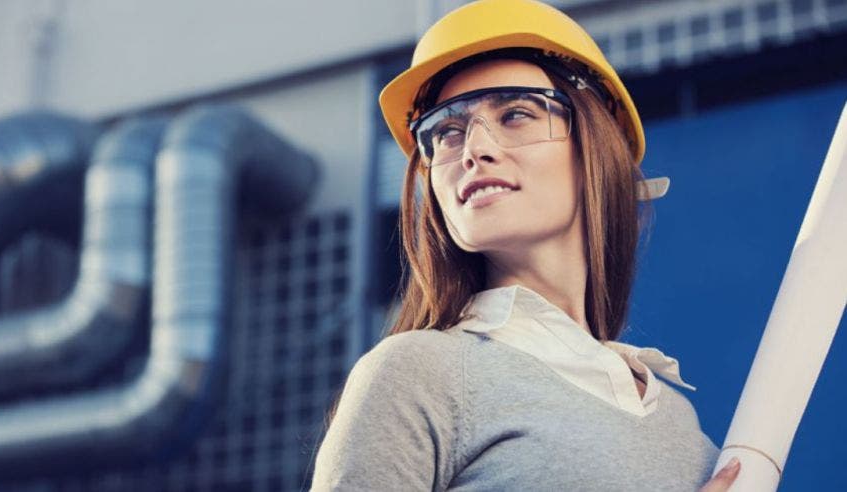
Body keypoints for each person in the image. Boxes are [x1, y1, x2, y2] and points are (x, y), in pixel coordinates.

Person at [310, 0, 741, 490]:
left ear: (596, 153)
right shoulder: (417, 374)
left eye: (516, 113)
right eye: (446, 132)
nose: (473, 149)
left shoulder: (682, 424)